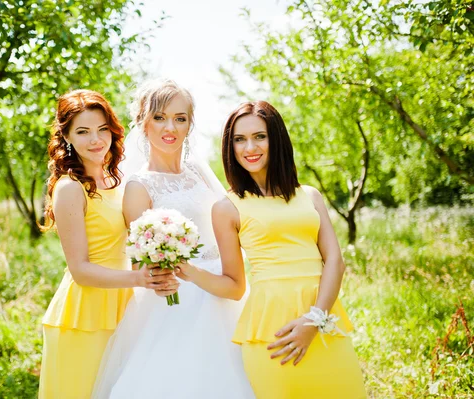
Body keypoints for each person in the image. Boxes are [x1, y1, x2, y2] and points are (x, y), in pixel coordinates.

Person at [177, 101, 367, 398]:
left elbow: (335, 262)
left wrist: (314, 320)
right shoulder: (227, 208)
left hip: (323, 319)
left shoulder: (310, 196)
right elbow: (234, 285)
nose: (249, 147)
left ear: (276, 138)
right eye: (239, 139)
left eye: (259, 136)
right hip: (272, 333)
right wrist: (188, 271)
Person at [92, 80, 255, 399]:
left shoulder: (199, 171)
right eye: (160, 117)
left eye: (180, 118)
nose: (171, 127)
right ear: (142, 121)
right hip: (178, 301)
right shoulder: (139, 187)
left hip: (225, 285)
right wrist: (172, 264)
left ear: (190, 124)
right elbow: (142, 264)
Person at [38, 89, 179, 399]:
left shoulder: (115, 182)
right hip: (84, 315)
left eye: (102, 129)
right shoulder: (70, 188)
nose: (95, 140)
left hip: (122, 304)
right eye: (83, 132)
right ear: (67, 137)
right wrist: (142, 279)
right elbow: (81, 270)